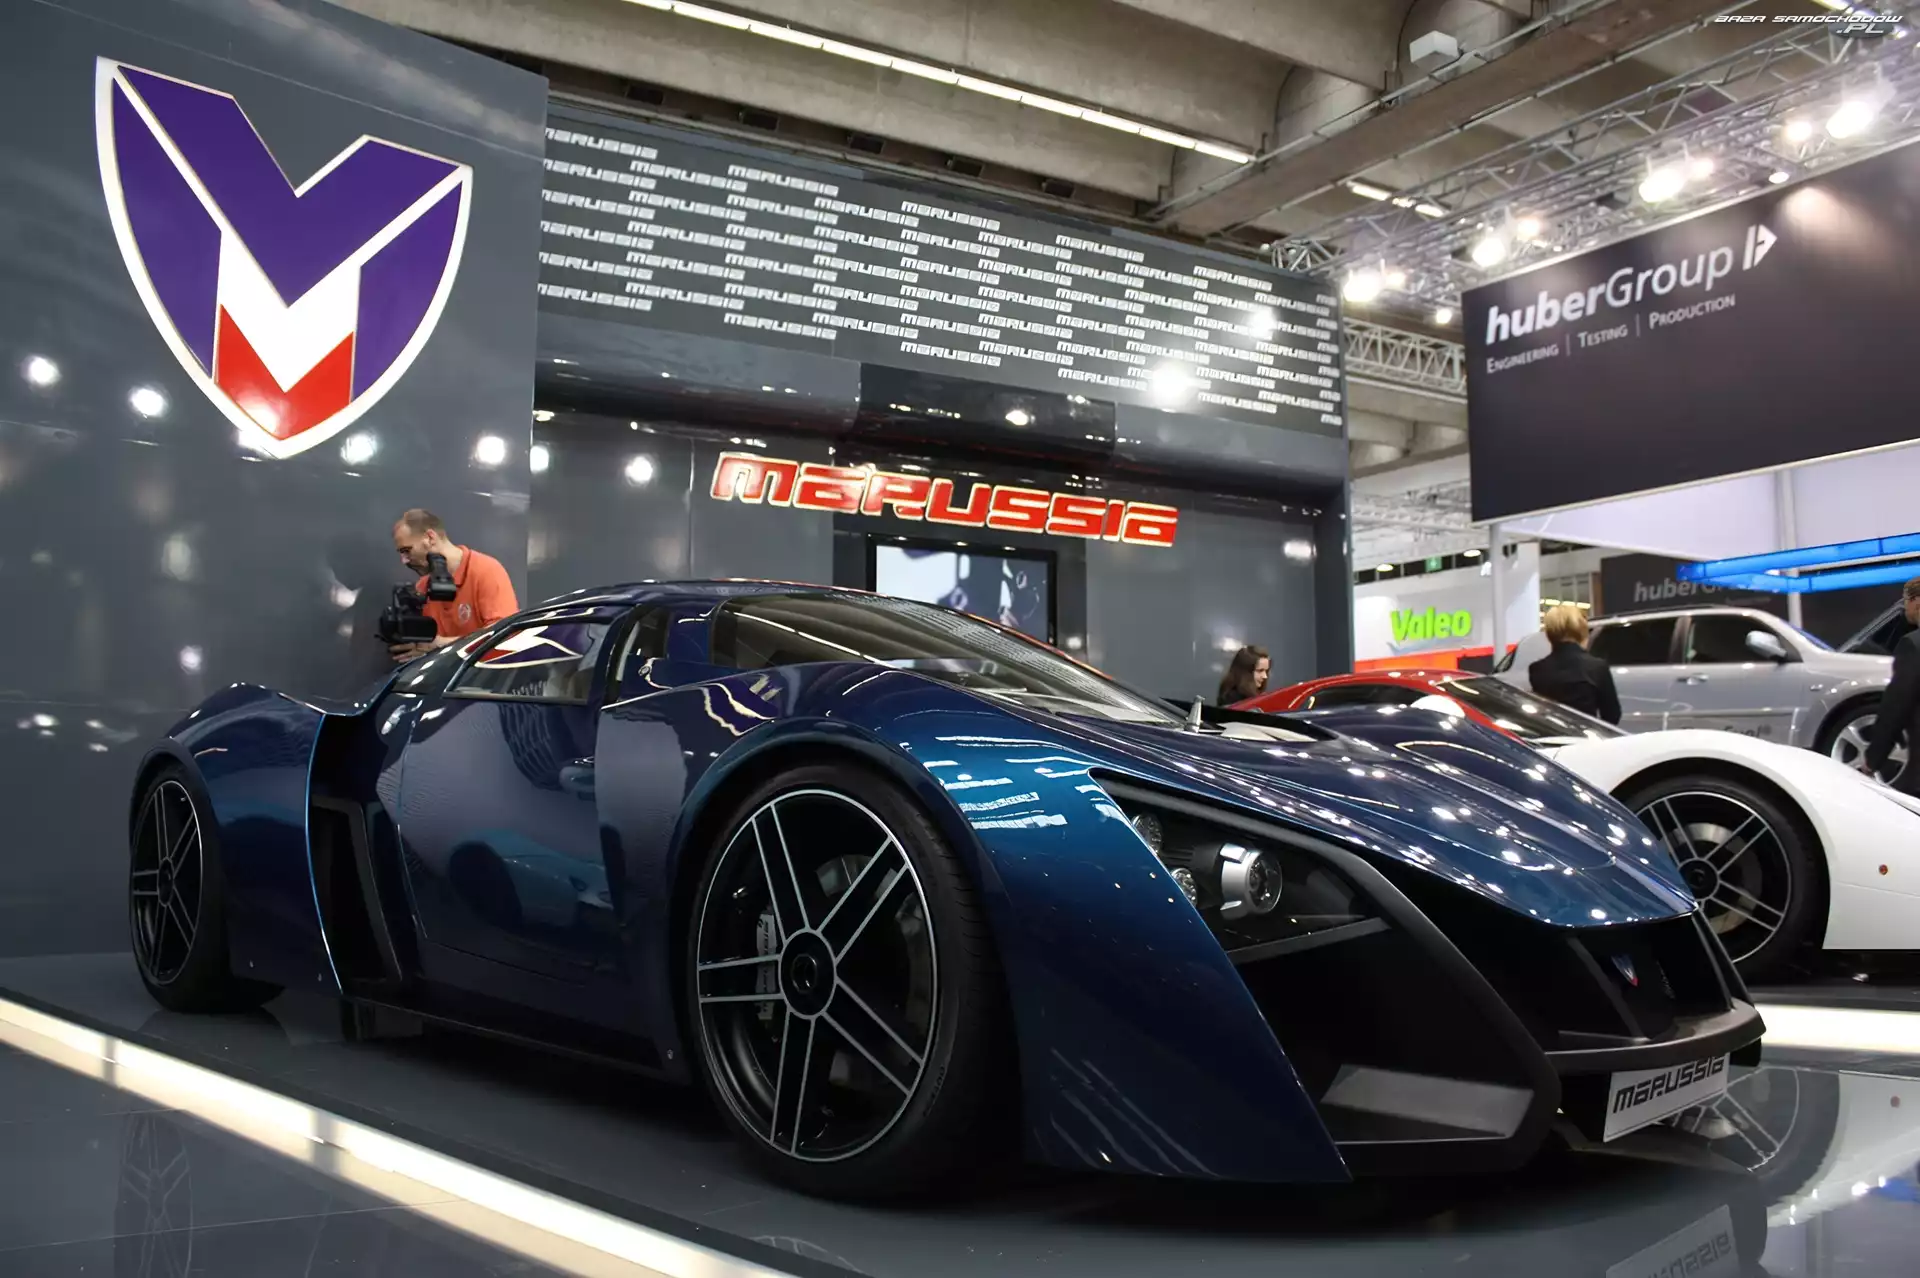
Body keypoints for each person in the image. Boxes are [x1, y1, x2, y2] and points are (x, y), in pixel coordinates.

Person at [389, 509, 519, 662]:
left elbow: (505, 637)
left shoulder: (487, 571)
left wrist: (440, 645)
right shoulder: (422, 587)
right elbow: (429, 646)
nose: (404, 560)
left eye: (407, 550)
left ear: (430, 537)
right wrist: (420, 651)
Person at [1864, 577, 1920, 794]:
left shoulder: (1913, 645)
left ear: (1916, 601)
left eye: (1905, 602)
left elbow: (1895, 707)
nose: (1905, 609)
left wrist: (1873, 759)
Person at [1527, 604, 1621, 725]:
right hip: (1585, 733)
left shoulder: (1536, 669)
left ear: (1550, 634)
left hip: (1551, 733)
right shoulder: (1597, 666)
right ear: (1581, 630)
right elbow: (1612, 715)